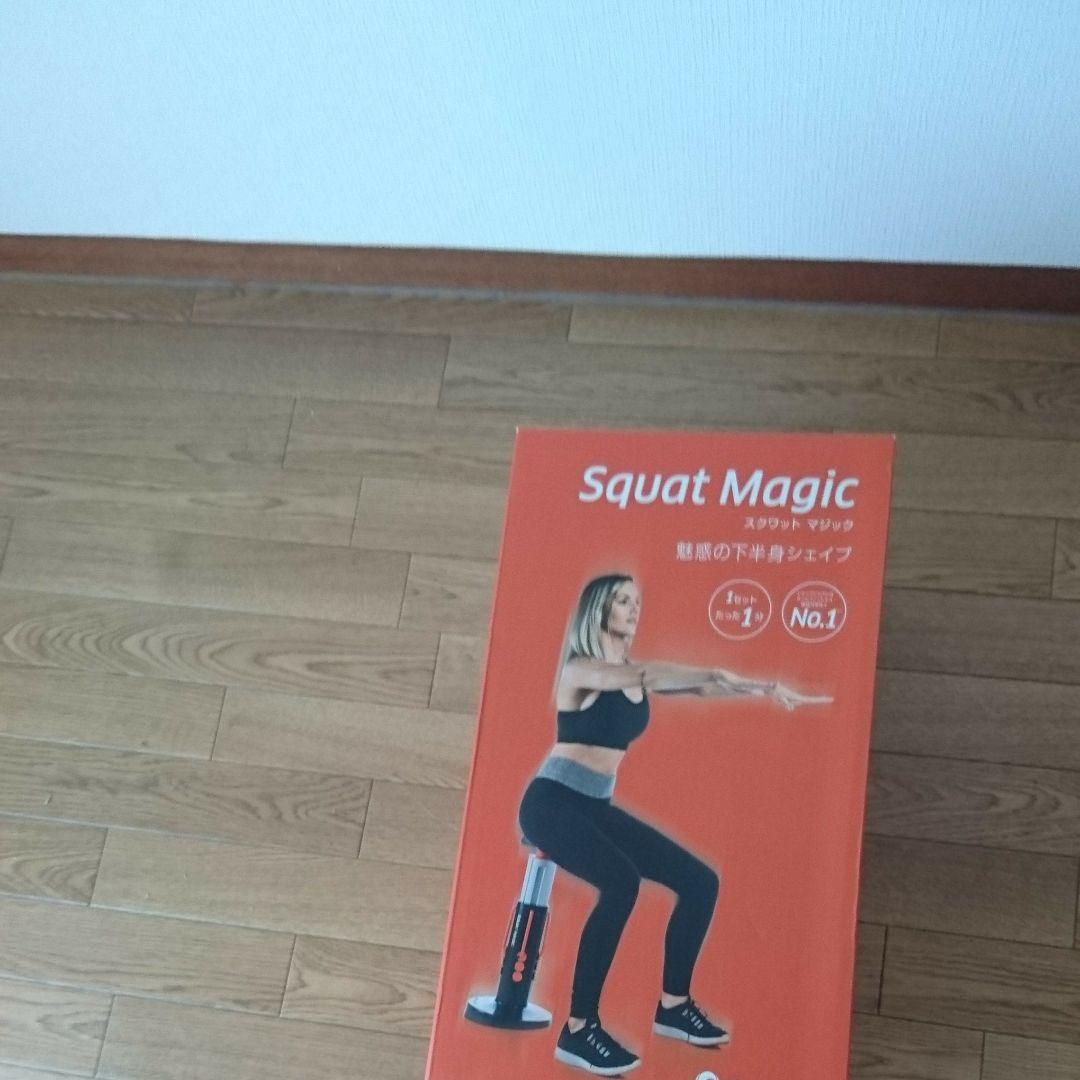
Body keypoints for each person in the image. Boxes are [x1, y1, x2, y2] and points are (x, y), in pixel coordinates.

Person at [517, 573, 827, 1076]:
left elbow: (700, 688)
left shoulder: (632, 674)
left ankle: (674, 1007)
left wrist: (764, 688)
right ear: (598, 609)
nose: (633, 608)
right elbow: (650, 676)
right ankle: (578, 1028)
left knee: (700, 882)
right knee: (621, 883)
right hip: (551, 803)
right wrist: (715, 670)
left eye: (637, 600)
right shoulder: (580, 670)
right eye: (623, 600)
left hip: (593, 807)